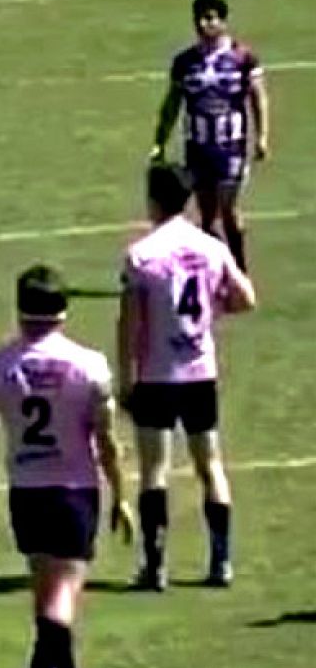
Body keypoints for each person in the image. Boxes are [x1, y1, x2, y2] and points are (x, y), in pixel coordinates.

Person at [0, 264, 134, 668]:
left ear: (19, 309)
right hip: (74, 491)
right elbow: (106, 440)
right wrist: (120, 494)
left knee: (45, 595)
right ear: (64, 311)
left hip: (26, 491)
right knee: (62, 595)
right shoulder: (89, 365)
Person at [119, 163, 258, 591]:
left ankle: (155, 566)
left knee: (154, 470)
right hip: (200, 371)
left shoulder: (142, 255)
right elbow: (246, 298)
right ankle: (221, 561)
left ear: (153, 200)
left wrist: (126, 379)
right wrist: (213, 311)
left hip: (157, 374)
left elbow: (130, 325)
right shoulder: (211, 247)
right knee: (210, 465)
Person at [148, 0, 270, 271]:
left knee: (229, 211)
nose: (203, 25)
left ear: (223, 21)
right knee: (206, 216)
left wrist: (262, 136)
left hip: (230, 147)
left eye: (210, 18)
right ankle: (216, 271)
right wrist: (160, 140)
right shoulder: (185, 62)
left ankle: (239, 268)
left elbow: (258, 97)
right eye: (199, 19)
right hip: (198, 147)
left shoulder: (243, 58)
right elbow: (172, 104)